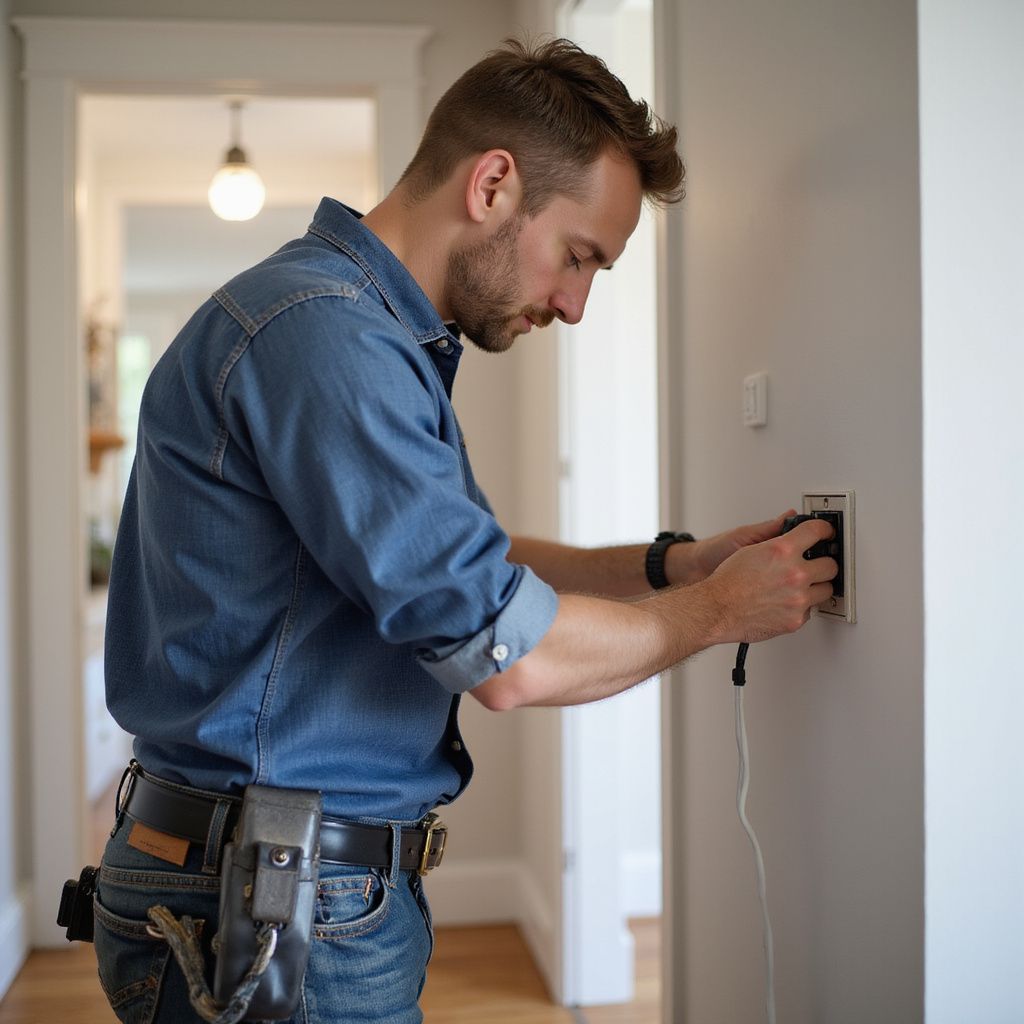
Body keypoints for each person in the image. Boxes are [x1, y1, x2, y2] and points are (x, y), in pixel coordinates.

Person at [95, 37, 836, 1024]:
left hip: (286, 885)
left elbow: (476, 564)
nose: (575, 304)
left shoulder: (357, 333)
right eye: (578, 257)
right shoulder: (327, 338)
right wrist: (715, 609)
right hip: (272, 900)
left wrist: (675, 564)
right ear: (492, 184)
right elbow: (506, 657)